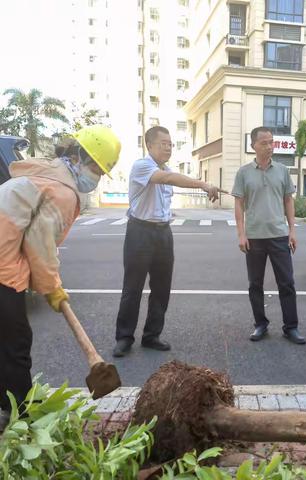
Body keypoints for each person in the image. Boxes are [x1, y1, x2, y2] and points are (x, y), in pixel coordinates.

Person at [0, 125, 121, 416]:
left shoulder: (47, 171)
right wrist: (52, 288)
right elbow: (39, 246)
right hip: (2, 265)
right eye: (97, 168)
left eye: (102, 172)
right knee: (16, 341)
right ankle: (19, 412)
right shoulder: (63, 192)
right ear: (79, 156)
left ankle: (9, 402)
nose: (97, 177)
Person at [113, 126, 225, 357]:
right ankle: (124, 337)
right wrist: (203, 184)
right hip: (140, 232)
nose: (168, 148)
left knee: (161, 288)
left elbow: (169, 182)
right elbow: (168, 179)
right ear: (150, 145)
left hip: (163, 233)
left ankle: (152, 335)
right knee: (132, 288)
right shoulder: (142, 166)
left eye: (171, 144)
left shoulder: (168, 170)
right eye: (163, 143)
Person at [232, 126, 306, 344]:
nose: (269, 146)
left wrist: (292, 230)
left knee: (287, 283)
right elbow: (239, 203)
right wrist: (241, 234)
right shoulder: (243, 173)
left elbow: (288, 201)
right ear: (253, 145)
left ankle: (291, 327)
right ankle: (260, 324)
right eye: (264, 142)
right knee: (255, 284)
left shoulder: (282, 170)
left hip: (279, 235)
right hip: (254, 237)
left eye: (271, 142)